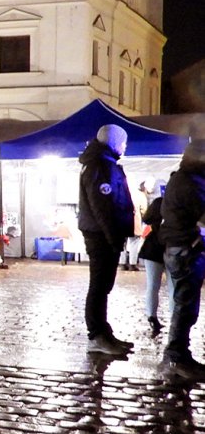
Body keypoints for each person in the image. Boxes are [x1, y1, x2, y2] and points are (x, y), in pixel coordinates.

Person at [78, 124, 135, 356]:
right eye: (123, 142)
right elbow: (102, 206)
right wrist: (113, 237)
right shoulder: (99, 165)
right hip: (101, 235)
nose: (125, 146)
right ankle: (97, 335)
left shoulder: (102, 163)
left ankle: (102, 332)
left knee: (103, 286)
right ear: (114, 142)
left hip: (103, 234)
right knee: (99, 285)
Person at [160, 140, 205, 377]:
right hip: (185, 249)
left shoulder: (182, 178)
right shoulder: (191, 182)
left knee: (184, 304)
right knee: (185, 306)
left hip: (180, 248)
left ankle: (177, 355)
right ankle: (176, 357)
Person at [138, 183, 168, 335]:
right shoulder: (175, 210)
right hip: (169, 249)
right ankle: (175, 317)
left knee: (152, 285)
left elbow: (146, 223)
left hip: (151, 250)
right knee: (173, 286)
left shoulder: (158, 205)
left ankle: (152, 315)